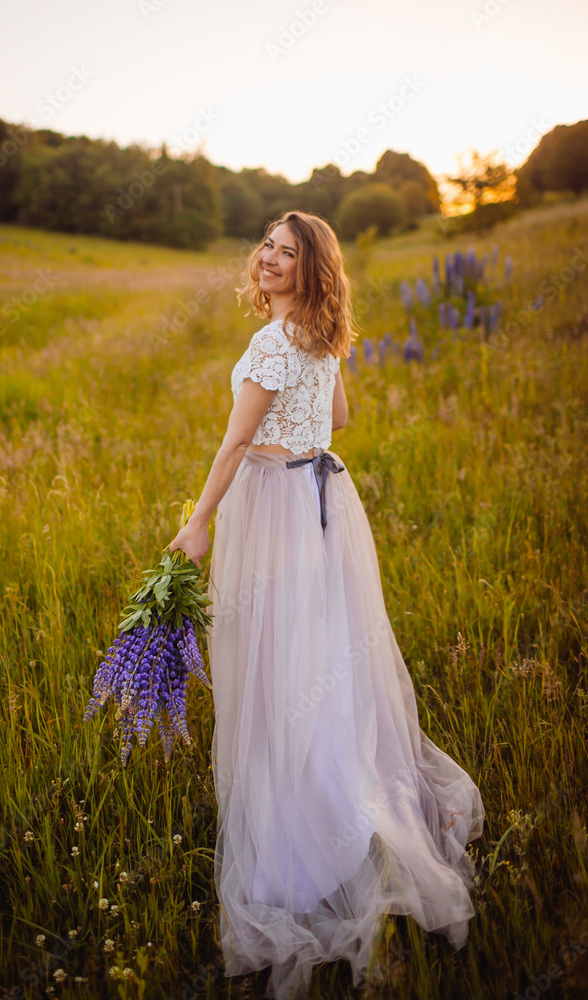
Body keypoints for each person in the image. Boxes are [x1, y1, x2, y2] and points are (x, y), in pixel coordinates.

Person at [167, 210, 485, 1000]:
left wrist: (197, 522)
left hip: (275, 503)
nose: (271, 259)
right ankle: (345, 801)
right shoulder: (317, 334)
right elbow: (338, 418)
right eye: (267, 247)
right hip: (322, 497)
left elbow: (236, 444)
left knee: (277, 666)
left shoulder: (273, 342)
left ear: (312, 268)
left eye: (288, 252)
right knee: (317, 657)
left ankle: (298, 840)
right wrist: (298, 419)